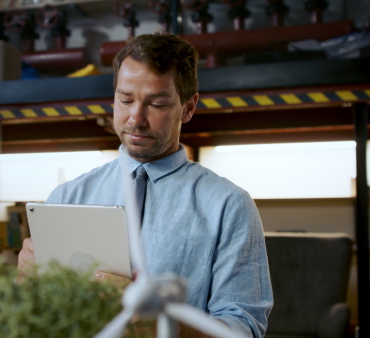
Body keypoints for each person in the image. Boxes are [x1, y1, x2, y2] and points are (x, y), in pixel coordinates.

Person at [18, 31, 273, 337]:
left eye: (157, 104)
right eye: (125, 100)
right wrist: (28, 285)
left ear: (189, 108)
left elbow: (243, 329)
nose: (135, 119)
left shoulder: (228, 206)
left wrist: (157, 323)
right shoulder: (66, 196)